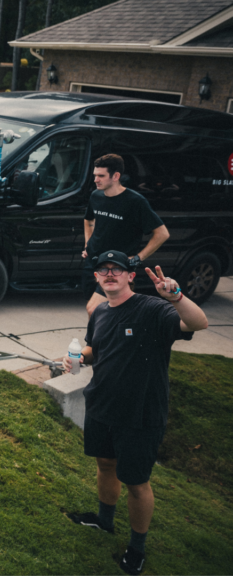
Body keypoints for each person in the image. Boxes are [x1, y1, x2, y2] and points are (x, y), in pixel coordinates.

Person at [63, 251, 207, 576]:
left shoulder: (152, 309)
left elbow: (197, 323)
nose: (109, 273)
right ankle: (104, 521)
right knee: (105, 465)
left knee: (137, 482)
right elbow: (95, 348)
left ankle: (137, 547)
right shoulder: (100, 311)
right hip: (101, 406)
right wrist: (78, 359)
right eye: (103, 269)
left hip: (141, 414)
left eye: (117, 269)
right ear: (97, 278)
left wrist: (177, 297)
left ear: (131, 276)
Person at [81, 154, 169, 317]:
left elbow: (162, 234)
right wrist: (88, 243)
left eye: (101, 176)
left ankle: (96, 342)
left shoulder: (135, 201)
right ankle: (101, 341)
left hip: (116, 267)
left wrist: (136, 259)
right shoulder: (96, 196)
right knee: (98, 311)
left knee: (94, 309)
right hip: (93, 262)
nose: (96, 180)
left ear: (115, 176)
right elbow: (88, 220)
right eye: (95, 175)